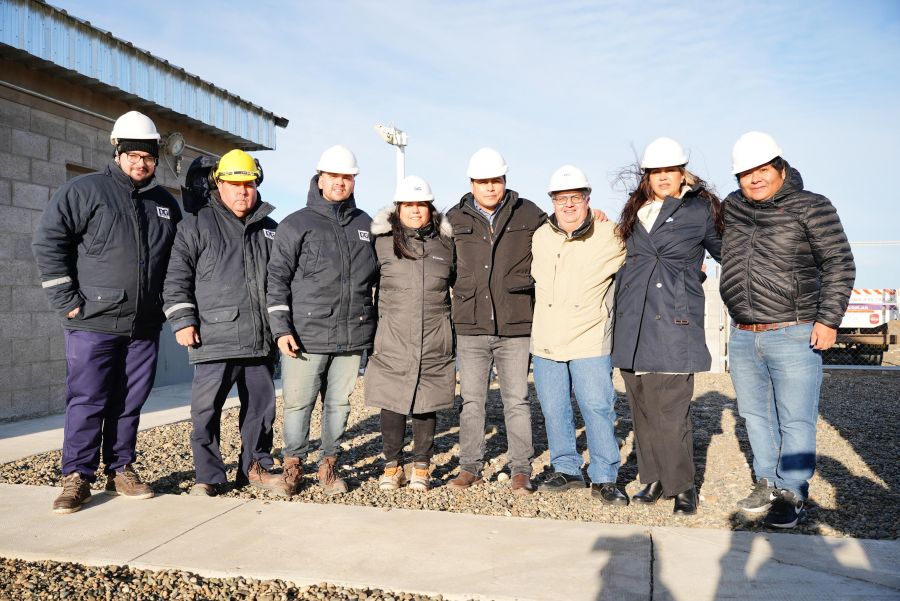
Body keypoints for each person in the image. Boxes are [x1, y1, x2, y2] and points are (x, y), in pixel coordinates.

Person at [32, 110, 182, 513]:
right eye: (132, 154)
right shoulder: (85, 191)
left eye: (148, 155)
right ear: (117, 151)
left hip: (145, 324)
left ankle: (121, 468)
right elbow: (49, 242)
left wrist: (169, 308)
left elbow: (178, 262)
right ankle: (77, 476)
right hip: (93, 323)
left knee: (130, 400)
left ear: (156, 158)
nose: (140, 162)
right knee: (88, 398)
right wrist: (67, 299)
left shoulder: (165, 204)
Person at [721, 131, 855, 528]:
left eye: (761, 170)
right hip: (744, 333)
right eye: (745, 174)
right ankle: (766, 481)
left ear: (780, 168)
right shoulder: (733, 207)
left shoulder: (812, 206)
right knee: (754, 414)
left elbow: (839, 263)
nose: (754, 179)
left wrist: (829, 320)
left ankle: (792, 491)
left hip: (794, 330)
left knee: (795, 417)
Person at [163, 150, 286, 497]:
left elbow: (284, 282)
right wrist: (183, 319)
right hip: (213, 339)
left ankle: (255, 468)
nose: (242, 191)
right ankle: (209, 476)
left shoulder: (271, 230)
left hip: (259, 339)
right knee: (205, 411)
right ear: (219, 183)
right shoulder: (195, 226)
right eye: (234, 184)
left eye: (248, 184)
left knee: (261, 411)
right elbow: (175, 279)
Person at [611, 138, 723, 515]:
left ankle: (683, 485)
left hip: (674, 320)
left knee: (671, 409)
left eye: (669, 171)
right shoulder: (634, 210)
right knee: (641, 407)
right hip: (634, 320)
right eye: (655, 172)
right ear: (647, 176)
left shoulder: (700, 210)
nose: (662, 178)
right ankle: (653, 477)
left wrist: (694, 280)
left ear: (681, 174)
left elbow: (729, 252)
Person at [266, 145, 377, 496]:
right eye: (334, 177)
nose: (341, 183)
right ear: (320, 179)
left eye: (347, 177)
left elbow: (378, 278)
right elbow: (277, 279)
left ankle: (329, 464)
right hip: (305, 335)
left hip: (350, 333)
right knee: (298, 402)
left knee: (339, 404)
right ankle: (293, 465)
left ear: (354, 181)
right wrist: (281, 328)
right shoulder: (296, 223)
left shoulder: (366, 225)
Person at [446, 147, 545, 494]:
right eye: (482, 181)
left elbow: (559, 237)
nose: (490, 187)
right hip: (471, 325)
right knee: (472, 400)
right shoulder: (454, 218)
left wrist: (596, 218)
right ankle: (470, 466)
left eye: (495, 180)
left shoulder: (529, 213)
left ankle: (521, 469)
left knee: (516, 399)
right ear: (472, 184)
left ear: (505, 180)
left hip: (516, 324)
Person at [531, 165, 628, 504]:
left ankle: (605, 477)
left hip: (590, 339)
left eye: (575, 198)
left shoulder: (610, 235)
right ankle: (568, 470)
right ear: (552, 201)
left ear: (588, 199)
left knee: (597, 407)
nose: (568, 205)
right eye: (561, 198)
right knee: (555, 408)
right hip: (546, 339)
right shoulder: (540, 236)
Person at [365, 176, 455, 492]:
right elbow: (362, 285)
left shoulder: (446, 245)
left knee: (425, 401)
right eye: (408, 205)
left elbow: (460, 284)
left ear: (430, 208)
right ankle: (392, 467)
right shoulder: (382, 243)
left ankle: (422, 466)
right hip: (393, 337)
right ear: (398, 207)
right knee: (392, 401)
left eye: (421, 205)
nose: (415, 211)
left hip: (434, 336)